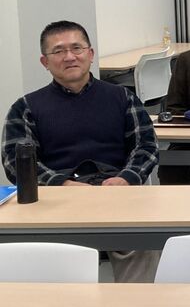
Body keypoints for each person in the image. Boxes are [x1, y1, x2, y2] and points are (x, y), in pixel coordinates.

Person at [2, 20, 159, 283]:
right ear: (45, 62)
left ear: (90, 54)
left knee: (140, 240)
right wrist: (62, 184)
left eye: (77, 48)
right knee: (45, 254)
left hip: (116, 193)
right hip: (55, 200)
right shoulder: (26, 106)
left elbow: (146, 146)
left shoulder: (122, 97)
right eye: (59, 51)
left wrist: (126, 178)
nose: (69, 56)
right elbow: (14, 162)